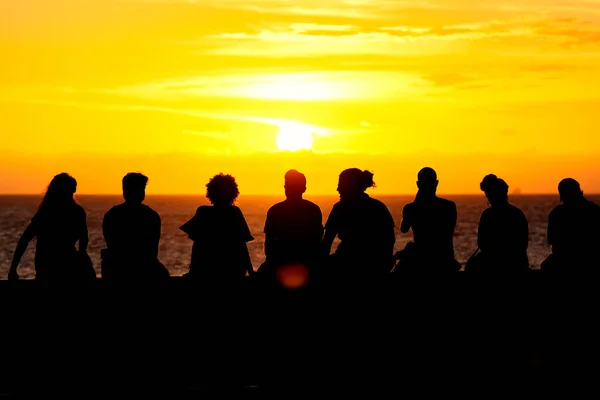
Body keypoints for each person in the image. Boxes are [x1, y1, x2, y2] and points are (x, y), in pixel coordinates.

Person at [8, 173, 93, 282]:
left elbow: (24, 239)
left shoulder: (46, 212)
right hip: (63, 265)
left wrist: (13, 268)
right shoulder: (76, 211)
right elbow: (84, 240)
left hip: (48, 266)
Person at [321, 169, 395, 280]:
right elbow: (389, 240)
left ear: (352, 186)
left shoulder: (340, 208)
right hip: (376, 267)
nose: (338, 189)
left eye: (341, 185)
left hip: (346, 265)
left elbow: (326, 243)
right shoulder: (379, 207)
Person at [180, 173, 255, 284]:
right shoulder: (234, 212)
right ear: (233, 193)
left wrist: (193, 271)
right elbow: (242, 245)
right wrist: (251, 271)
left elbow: (197, 246)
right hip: (231, 271)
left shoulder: (203, 212)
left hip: (206, 271)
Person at [259, 170, 323, 287]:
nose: (288, 189)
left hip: (284, 261)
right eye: (287, 186)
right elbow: (317, 240)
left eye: (290, 186)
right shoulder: (313, 209)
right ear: (304, 188)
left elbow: (269, 243)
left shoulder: (275, 210)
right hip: (306, 262)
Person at [102, 173, 168, 282]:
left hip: (118, 270)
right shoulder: (151, 215)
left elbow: (111, 245)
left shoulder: (112, 214)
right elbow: (152, 249)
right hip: (142, 270)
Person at [396, 167, 460, 273]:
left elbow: (404, 229)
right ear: (436, 183)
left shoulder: (410, 208)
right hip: (444, 260)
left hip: (420, 261)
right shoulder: (449, 206)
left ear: (418, 184)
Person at [472, 174, 529, 272]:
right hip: (517, 264)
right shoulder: (517, 214)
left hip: (493, 265)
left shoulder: (487, 215)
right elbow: (523, 245)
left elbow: (482, 244)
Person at [542, 178, 600, 273]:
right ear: (580, 191)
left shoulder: (556, 213)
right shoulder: (595, 210)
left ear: (562, 195)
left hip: (565, 262)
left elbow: (553, 244)